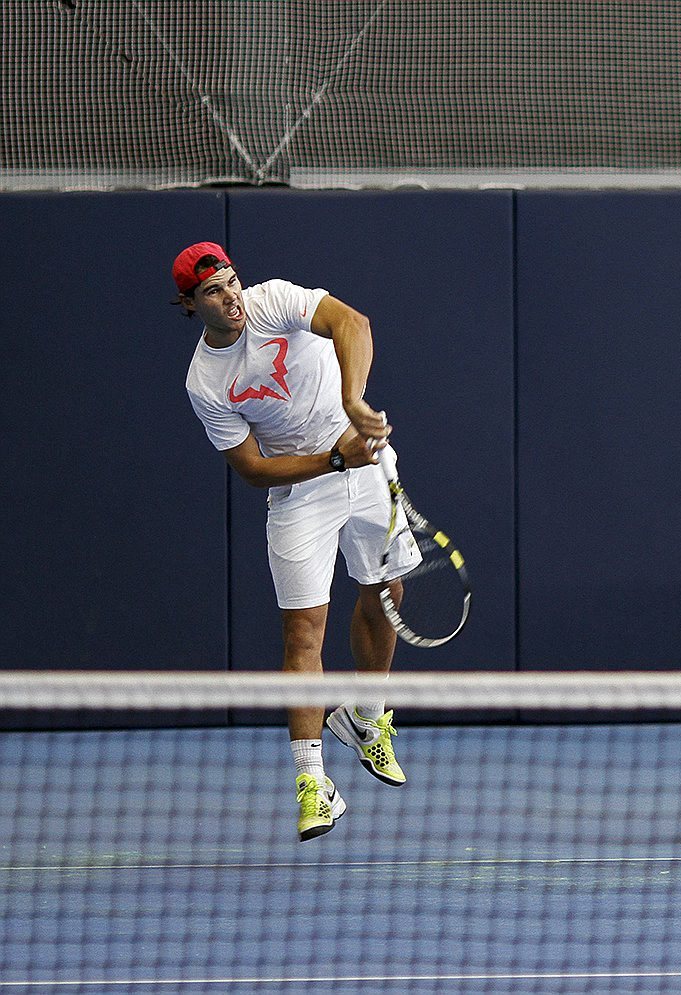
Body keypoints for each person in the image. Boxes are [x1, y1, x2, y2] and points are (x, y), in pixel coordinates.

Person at [176, 241, 419, 842]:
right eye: (212, 291)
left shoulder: (275, 299)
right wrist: (332, 458)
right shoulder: (205, 382)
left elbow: (350, 322)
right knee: (303, 631)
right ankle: (312, 782)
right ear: (189, 305)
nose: (230, 297)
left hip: (363, 463)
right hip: (299, 487)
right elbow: (253, 468)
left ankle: (367, 716)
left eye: (231, 281)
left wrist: (353, 401)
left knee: (387, 593)